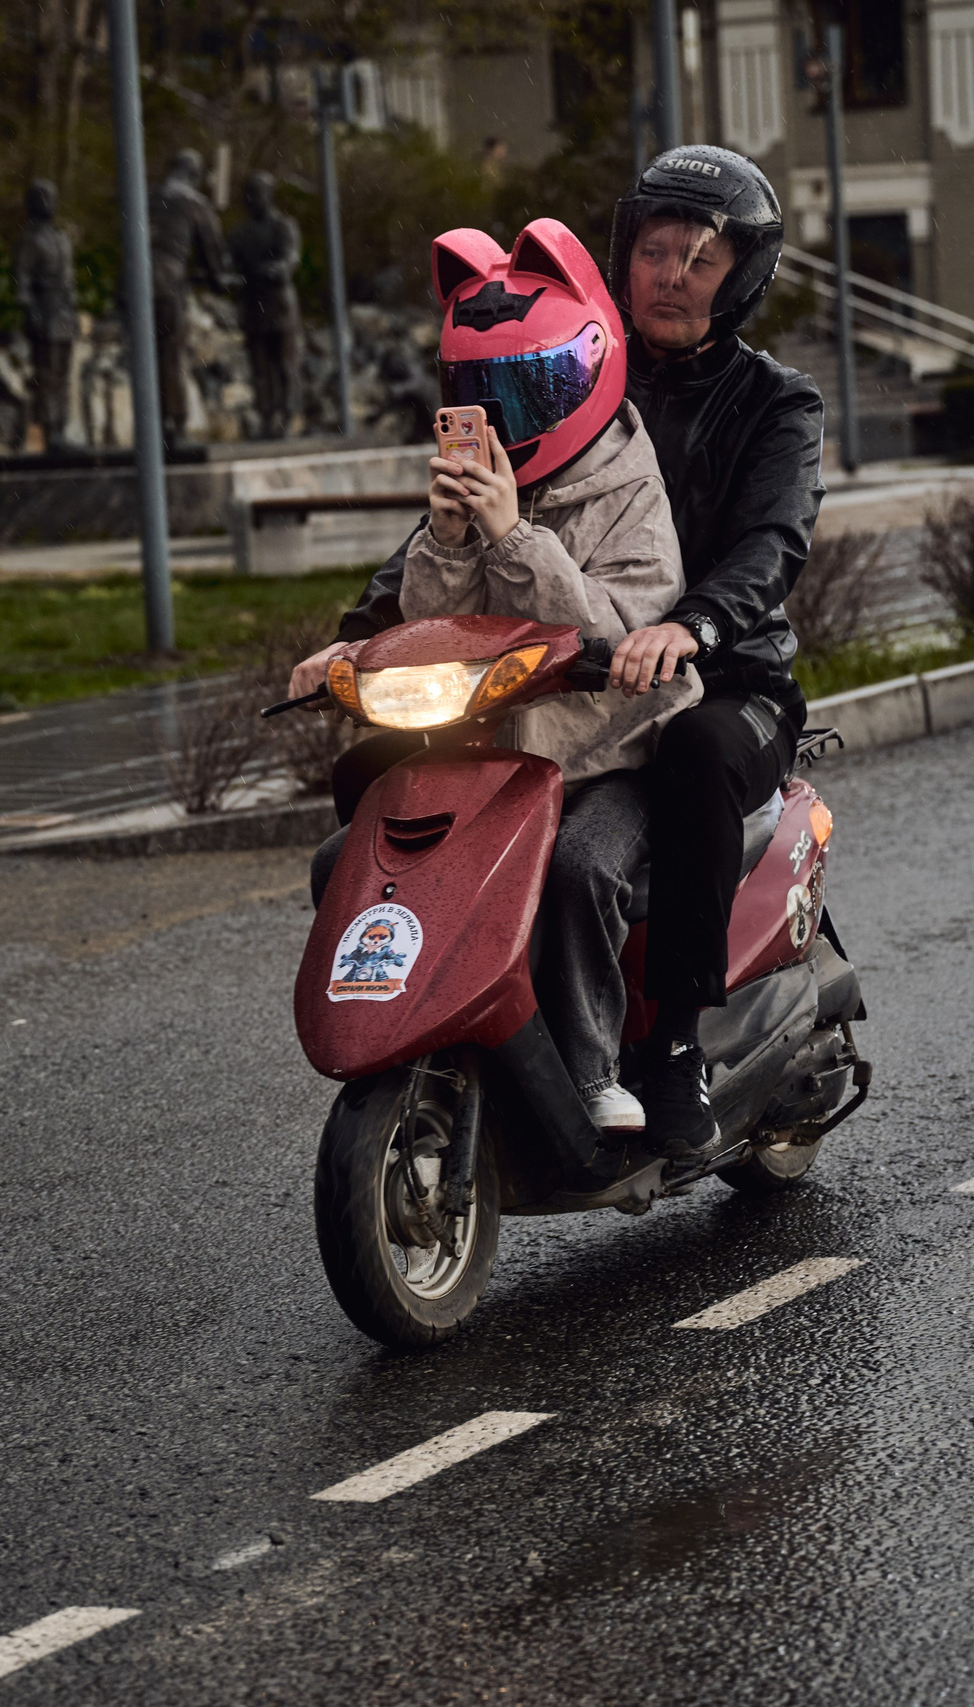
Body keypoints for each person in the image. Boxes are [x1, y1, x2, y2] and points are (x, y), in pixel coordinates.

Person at [298, 145, 824, 1164]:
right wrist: (359, 637)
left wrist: (697, 624)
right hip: (558, 682)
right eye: (659, 250)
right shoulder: (553, 366)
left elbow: (772, 542)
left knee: (694, 758)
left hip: (714, 674)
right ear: (622, 259)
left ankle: (669, 1042)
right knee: (377, 773)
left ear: (742, 279)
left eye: (703, 261)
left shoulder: (775, 405)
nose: (673, 274)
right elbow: (454, 518)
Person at [312, 218, 697, 1134]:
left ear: (588, 367)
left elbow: (613, 628)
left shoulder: (631, 488)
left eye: (532, 389)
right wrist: (447, 538)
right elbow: (433, 625)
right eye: (486, 393)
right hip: (499, 751)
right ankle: (446, 1036)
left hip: (619, 750)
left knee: (574, 870)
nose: (511, 417)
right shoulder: (476, 490)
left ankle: (594, 1066)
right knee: (354, 861)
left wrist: (513, 534)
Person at [147, 149, 234, 447]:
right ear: (194, 175)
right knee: (172, 353)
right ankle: (176, 422)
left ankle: (153, 424)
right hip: (167, 283)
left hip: (135, 282)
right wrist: (217, 279)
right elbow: (212, 253)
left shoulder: (145, 196)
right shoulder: (195, 205)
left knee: (146, 356)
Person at [225, 171, 303, 441]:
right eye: (249, 194)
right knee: (259, 366)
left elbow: (290, 259)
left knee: (284, 363)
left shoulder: (283, 226)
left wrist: (272, 269)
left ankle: (287, 413)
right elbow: (227, 264)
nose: (251, 199)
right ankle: (266, 415)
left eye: (257, 193)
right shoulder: (240, 233)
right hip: (253, 304)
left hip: (279, 303)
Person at [13, 180, 76, 453]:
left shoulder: (60, 238)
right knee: (47, 376)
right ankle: (51, 431)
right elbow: (22, 282)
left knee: (63, 376)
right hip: (45, 310)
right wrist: (32, 312)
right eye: (44, 198)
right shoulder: (29, 239)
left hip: (64, 312)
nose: (50, 203)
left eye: (52, 197)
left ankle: (62, 426)